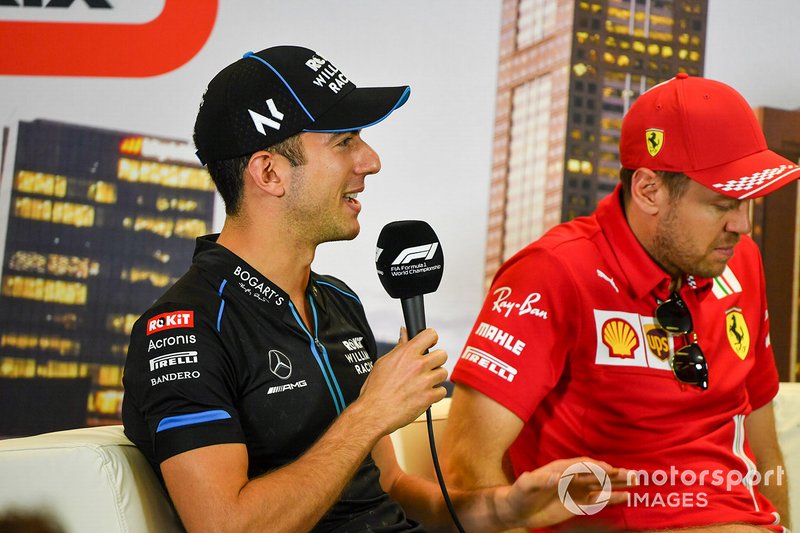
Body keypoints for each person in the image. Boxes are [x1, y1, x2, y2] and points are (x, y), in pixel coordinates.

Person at [121, 45, 628, 533]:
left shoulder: (339, 302)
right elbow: (225, 526)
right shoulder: (182, 330)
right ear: (269, 173)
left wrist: (506, 508)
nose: (371, 160)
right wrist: (368, 415)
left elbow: (389, 489)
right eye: (344, 142)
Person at [441, 72, 798, 532]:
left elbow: (763, 446)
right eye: (722, 204)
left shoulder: (741, 261)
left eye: (749, 202)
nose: (743, 226)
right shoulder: (552, 273)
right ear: (649, 190)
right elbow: (465, 471)